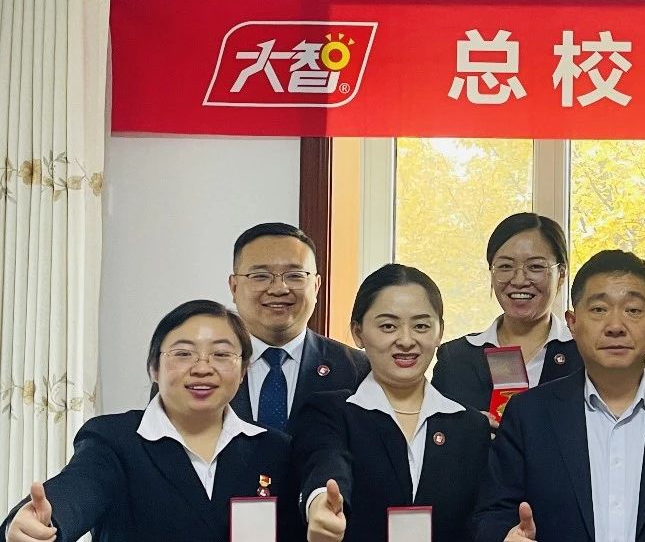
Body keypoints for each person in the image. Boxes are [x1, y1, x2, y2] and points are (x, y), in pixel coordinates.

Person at [472, 250, 645, 542]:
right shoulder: (528, 413)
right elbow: (492, 513)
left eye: (633, 310)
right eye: (599, 309)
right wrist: (505, 536)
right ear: (572, 323)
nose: (616, 326)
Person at [3, 300, 301, 541]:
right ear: (154, 369)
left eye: (221, 354)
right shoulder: (114, 440)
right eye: (183, 353)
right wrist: (43, 521)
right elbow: (79, 488)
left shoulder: (274, 449)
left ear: (243, 371)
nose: (202, 368)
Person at [290, 263, 489, 542]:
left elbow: (480, 517)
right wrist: (321, 502)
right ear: (358, 332)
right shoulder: (331, 412)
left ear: (440, 331)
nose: (406, 340)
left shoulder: (470, 426)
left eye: (421, 326)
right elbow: (326, 462)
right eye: (388, 326)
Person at [433, 213, 582, 424]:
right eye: (505, 266)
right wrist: (468, 432)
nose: (519, 280)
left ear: (562, 273)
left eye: (535, 267)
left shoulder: (584, 353)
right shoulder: (455, 359)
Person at [227, 222, 368, 430]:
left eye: (294, 276)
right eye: (260, 276)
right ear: (234, 287)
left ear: (316, 286)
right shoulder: (203, 368)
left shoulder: (358, 370)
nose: (278, 289)